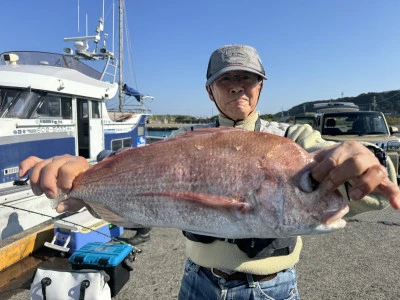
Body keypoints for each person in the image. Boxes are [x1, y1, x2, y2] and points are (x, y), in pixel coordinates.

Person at [19, 45, 400, 300]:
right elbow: (134, 188)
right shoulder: (181, 141)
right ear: (210, 91)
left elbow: (362, 186)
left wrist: (372, 162)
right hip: (198, 283)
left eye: (247, 78)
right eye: (225, 79)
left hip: (275, 288)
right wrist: (82, 171)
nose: (238, 87)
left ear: (261, 87)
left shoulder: (294, 141)